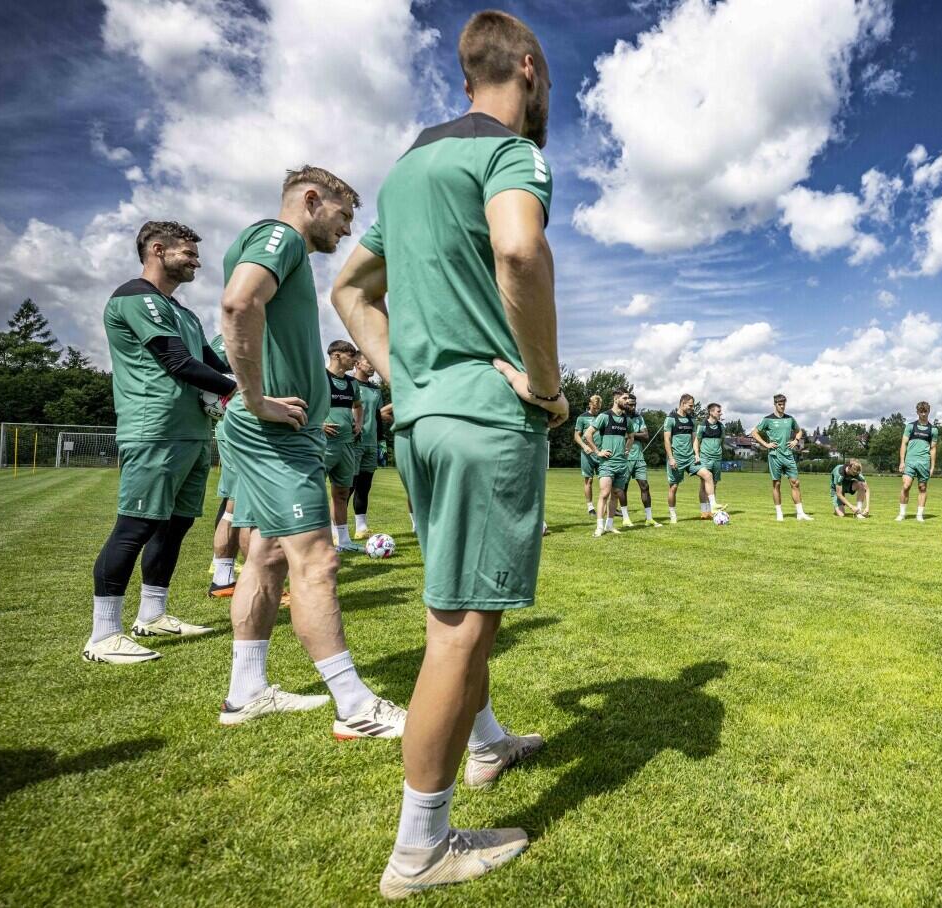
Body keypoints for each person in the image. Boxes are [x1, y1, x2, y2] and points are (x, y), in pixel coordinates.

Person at [331, 9, 562, 896]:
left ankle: (488, 741)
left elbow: (351, 287)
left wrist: (404, 377)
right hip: (484, 415)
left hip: (425, 421)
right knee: (459, 629)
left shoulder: (408, 171)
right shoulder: (512, 154)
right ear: (528, 69)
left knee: (465, 605)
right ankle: (421, 847)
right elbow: (518, 248)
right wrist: (543, 384)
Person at [217, 166, 406, 739]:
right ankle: (353, 705)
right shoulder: (279, 238)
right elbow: (236, 304)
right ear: (311, 199)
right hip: (276, 435)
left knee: (268, 558)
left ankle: (245, 691)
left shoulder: (280, 249)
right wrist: (255, 399)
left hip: (271, 435)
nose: (348, 230)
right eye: (345, 215)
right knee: (318, 562)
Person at [84, 221, 229, 663]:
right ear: (158, 249)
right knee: (136, 526)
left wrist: (251, 368)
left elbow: (212, 359)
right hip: (154, 428)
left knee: (175, 525)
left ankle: (152, 614)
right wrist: (241, 390)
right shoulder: (135, 297)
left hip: (191, 431)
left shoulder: (181, 310)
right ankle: (103, 635)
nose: (196, 261)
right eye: (189, 253)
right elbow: (177, 361)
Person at [207, 329, 243, 598]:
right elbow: (211, 372)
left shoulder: (266, 333)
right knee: (238, 498)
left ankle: (224, 570)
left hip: (253, 423)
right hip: (237, 425)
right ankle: (223, 571)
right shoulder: (229, 336)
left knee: (238, 498)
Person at [322, 340, 365, 552]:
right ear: (336, 355)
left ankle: (344, 541)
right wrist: (318, 425)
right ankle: (319, 542)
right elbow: (305, 404)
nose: (355, 360)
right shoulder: (319, 378)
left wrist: (359, 422)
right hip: (323, 445)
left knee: (341, 493)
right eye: (351, 356)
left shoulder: (352, 383)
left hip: (347, 445)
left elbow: (358, 406)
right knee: (313, 493)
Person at [752, 394, 812, 521]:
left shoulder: (790, 419)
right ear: (775, 404)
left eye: (784, 404)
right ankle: (779, 513)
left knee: (795, 483)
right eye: (780, 404)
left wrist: (796, 440)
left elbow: (799, 431)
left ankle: (800, 513)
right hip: (775, 456)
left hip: (789, 455)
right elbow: (754, 433)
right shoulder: (767, 419)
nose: (782, 406)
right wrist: (766, 444)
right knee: (777, 484)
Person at [586, 390, 636, 536]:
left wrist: (626, 450)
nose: (627, 401)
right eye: (625, 398)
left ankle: (609, 525)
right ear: (616, 399)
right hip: (607, 463)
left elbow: (631, 437)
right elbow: (588, 434)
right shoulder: (604, 416)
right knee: (604, 493)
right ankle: (599, 527)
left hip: (621, 464)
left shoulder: (627, 420)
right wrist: (598, 452)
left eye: (628, 398)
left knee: (615, 494)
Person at [350, 353, 388, 539]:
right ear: (357, 363)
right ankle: (336, 530)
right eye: (368, 362)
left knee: (365, 486)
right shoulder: (348, 384)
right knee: (347, 486)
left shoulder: (376, 390)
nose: (373, 366)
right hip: (352, 442)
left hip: (371, 444)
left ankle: (361, 528)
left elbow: (377, 417)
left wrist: (381, 442)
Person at [661, 394, 716, 522]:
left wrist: (697, 454)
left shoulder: (691, 420)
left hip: (691, 459)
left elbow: (694, 440)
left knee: (708, 475)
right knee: (673, 487)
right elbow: (666, 440)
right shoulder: (671, 419)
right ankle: (672, 514)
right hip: (676, 459)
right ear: (682, 403)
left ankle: (713, 506)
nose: (692, 408)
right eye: (690, 405)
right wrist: (671, 458)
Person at [614, 393, 661, 527]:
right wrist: (633, 435)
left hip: (639, 457)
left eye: (635, 404)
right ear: (624, 404)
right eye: (630, 404)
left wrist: (631, 434)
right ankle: (626, 518)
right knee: (624, 487)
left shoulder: (639, 418)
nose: (633, 407)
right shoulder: (619, 418)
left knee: (645, 486)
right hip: (625, 457)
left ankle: (649, 518)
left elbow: (646, 436)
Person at [896, 401, 938, 522]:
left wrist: (932, 466)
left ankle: (919, 515)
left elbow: (933, 449)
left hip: (924, 462)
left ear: (929, 411)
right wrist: (902, 461)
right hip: (910, 461)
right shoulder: (910, 426)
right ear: (917, 412)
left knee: (922, 487)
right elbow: (903, 444)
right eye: (921, 412)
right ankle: (902, 514)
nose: (923, 414)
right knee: (906, 486)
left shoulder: (933, 430)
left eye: (925, 411)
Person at [696, 403, 727, 518]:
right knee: (703, 484)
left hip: (717, 459)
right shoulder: (702, 426)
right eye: (718, 411)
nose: (721, 413)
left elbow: (722, 441)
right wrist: (697, 455)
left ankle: (711, 508)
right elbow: (696, 441)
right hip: (705, 458)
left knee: (714, 484)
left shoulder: (721, 427)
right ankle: (704, 511)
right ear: (711, 412)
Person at [573, 395, 602, 515]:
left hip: (601, 453)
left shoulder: (602, 417)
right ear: (590, 404)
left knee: (605, 480)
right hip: (587, 455)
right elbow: (576, 436)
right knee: (589, 480)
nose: (596, 410)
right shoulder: (582, 418)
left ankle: (604, 505)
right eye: (595, 407)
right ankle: (590, 507)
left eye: (599, 408)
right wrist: (584, 447)